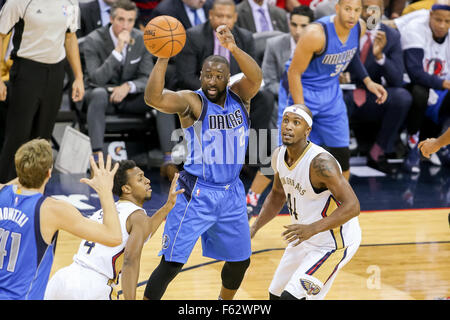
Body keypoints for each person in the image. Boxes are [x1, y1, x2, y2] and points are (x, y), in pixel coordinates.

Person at [142, 24, 262, 300]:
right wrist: (162, 56)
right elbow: (153, 98)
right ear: (200, 76)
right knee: (171, 264)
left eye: (219, 76)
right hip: (196, 192)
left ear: (227, 79)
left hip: (231, 192)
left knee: (240, 261)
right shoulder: (192, 103)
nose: (212, 81)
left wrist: (232, 47)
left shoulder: (241, 97)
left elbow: (256, 77)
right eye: (207, 75)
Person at [250, 104, 361, 300]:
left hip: (333, 244)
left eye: (296, 122)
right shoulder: (279, 155)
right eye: (286, 121)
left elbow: (353, 206)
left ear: (307, 131)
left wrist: (312, 228)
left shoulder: (321, 163)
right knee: (275, 295)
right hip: (303, 239)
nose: (289, 127)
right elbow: (277, 195)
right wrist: (254, 227)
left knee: (291, 298)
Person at [0, 140, 122, 300]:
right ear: (49, 174)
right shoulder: (52, 210)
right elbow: (113, 237)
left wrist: (28, 168)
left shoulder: (2, 192)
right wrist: (105, 190)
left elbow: (18, 181)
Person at [44, 161, 184, 300]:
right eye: (140, 178)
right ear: (126, 189)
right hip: (93, 287)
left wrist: (168, 206)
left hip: (63, 279)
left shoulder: (106, 211)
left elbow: (144, 230)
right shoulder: (138, 218)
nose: (148, 181)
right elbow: (130, 260)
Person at [284, 0, 387, 180]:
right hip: (304, 90)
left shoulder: (359, 27)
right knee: (290, 159)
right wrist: (300, 110)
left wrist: (368, 81)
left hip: (331, 92)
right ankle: (255, 197)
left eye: (356, 10)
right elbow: (293, 73)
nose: (352, 15)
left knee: (341, 156)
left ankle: (342, 204)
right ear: (337, 9)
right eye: (347, 9)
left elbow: (350, 52)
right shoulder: (315, 34)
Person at [83, 0, 178, 180]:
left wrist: (128, 86)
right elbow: (96, 79)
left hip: (130, 97)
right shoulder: (93, 40)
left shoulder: (141, 40)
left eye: (130, 20)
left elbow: (147, 77)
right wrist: (118, 50)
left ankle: (169, 161)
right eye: (120, 20)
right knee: (98, 94)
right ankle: (97, 160)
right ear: (111, 19)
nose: (125, 25)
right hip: (103, 97)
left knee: (161, 95)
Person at [0, 0, 85, 183]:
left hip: (56, 72)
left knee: (43, 138)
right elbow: (0, 35)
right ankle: (5, 189)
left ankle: (36, 190)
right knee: (17, 135)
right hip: (26, 70)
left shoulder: (71, 2)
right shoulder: (18, 2)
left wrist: (78, 77)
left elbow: (70, 38)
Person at [246, 5, 314, 218]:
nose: (297, 30)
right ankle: (251, 199)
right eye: (294, 24)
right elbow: (267, 80)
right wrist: (294, 96)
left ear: (312, 27)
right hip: (284, 102)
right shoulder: (275, 44)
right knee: (279, 155)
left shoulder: (319, 46)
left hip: (316, 104)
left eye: (303, 25)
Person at [342, 0, 411, 174]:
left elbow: (397, 80)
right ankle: (336, 157)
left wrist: (380, 57)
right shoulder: (346, 29)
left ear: (382, 10)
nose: (370, 14)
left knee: (402, 97)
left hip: (373, 96)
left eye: (375, 9)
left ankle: (378, 152)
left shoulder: (391, 36)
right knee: (337, 97)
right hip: (345, 93)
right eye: (365, 9)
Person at [400, 1, 450, 173]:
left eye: (447, 21)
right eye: (438, 20)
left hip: (442, 89)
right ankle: (412, 146)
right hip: (413, 85)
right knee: (420, 92)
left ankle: (440, 144)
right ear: (430, 16)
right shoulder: (415, 28)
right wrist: (442, 83)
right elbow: (415, 72)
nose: (442, 26)